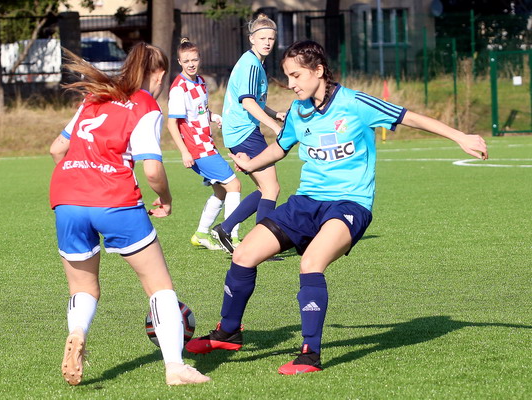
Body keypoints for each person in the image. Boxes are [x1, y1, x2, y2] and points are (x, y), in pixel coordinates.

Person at [185, 40, 488, 375]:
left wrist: (460, 136)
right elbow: (281, 148)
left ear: (318, 70)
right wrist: (250, 164)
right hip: (306, 201)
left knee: (311, 263)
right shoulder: (298, 110)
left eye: (297, 75)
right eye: (288, 76)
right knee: (243, 255)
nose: (291, 84)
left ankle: (309, 354)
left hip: (350, 204)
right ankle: (228, 332)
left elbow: (409, 117)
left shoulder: (354, 103)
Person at [49, 42, 211, 386]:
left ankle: (77, 333)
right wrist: (165, 198)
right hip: (115, 200)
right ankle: (175, 368)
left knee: (83, 287)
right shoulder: (145, 104)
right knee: (159, 287)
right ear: (160, 74)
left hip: (66, 198)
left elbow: (57, 149)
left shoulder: (94, 97)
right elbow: (151, 169)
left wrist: (78, 181)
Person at [211, 13, 286, 254]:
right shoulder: (251, 64)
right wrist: (275, 127)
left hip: (241, 132)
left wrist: (275, 114)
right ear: (251, 39)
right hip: (244, 132)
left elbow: (254, 100)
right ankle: (259, 245)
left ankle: (225, 229)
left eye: (271, 38)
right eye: (262, 38)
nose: (267, 43)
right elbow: (248, 102)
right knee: (271, 188)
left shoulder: (253, 62)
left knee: (266, 188)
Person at [167, 38, 242, 250]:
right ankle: (231, 236)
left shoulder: (200, 81)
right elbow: (172, 123)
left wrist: (214, 116)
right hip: (197, 148)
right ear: (179, 62)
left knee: (221, 191)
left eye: (194, 59)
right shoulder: (179, 88)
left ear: (199, 59)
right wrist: (184, 152)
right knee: (234, 185)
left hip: (206, 143)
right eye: (186, 61)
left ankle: (201, 234)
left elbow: (200, 112)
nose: (191, 64)